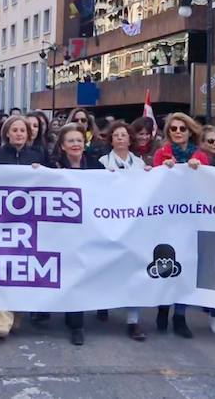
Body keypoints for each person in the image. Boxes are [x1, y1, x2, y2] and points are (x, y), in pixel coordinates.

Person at [55, 122, 146, 344]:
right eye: (71, 141)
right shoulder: (53, 165)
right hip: (64, 228)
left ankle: (78, 319)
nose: (75, 144)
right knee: (70, 271)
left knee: (83, 271)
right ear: (63, 146)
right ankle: (75, 322)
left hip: (91, 226)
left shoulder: (95, 166)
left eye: (79, 140)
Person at [0, 116, 44, 340]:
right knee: (0, 265)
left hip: (28, 222)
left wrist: (42, 171)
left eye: (23, 130)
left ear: (28, 135)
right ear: (7, 133)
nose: (19, 133)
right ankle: (0, 318)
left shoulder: (37, 156)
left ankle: (16, 312)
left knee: (22, 267)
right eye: (14, 130)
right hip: (2, 222)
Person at [152, 112, 207, 337]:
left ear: (190, 131)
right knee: (166, 261)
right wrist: (162, 170)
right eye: (173, 129)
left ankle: (180, 315)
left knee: (187, 264)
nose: (177, 132)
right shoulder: (160, 154)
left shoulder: (200, 156)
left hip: (191, 219)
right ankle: (163, 308)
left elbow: (208, 185)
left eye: (182, 129)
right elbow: (153, 185)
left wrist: (198, 170)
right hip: (166, 218)